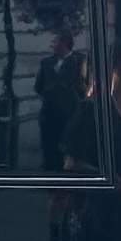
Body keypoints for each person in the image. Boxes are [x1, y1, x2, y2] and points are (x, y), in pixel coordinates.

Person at [34, 30, 84, 170]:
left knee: (68, 148)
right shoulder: (46, 63)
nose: (51, 45)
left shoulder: (78, 61)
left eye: (54, 41)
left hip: (70, 112)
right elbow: (38, 86)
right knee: (49, 147)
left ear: (64, 43)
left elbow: (83, 86)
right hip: (49, 113)